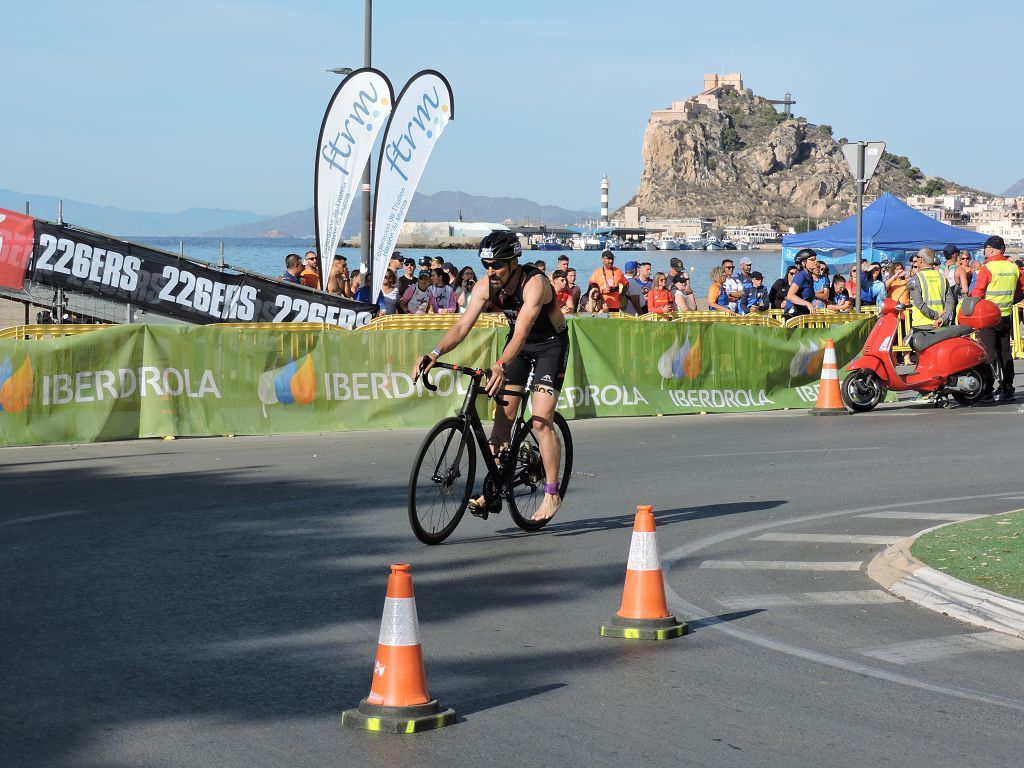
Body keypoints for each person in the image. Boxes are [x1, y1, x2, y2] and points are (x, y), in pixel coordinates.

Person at [415, 230, 569, 522]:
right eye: (486, 264)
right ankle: (496, 488)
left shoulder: (534, 284)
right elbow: (462, 327)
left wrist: (499, 364)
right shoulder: (486, 285)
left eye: (497, 264)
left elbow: (523, 331)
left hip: (550, 346)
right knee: (501, 422)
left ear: (513, 262)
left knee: (540, 420)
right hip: (518, 348)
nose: (490, 270)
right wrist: (434, 354)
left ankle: (551, 493)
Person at [969, 235, 1024, 401]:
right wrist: (1010, 301)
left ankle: (987, 389)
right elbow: (1021, 289)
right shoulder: (1013, 267)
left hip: (988, 317)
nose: (984, 251)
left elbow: (977, 294)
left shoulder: (988, 268)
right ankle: (1007, 387)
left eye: (985, 248)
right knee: (1005, 353)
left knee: (988, 353)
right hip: (1005, 315)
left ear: (991, 249)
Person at [907, 248, 952, 334]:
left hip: (922, 325)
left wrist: (935, 315)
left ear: (921, 260)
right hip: (940, 325)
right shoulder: (942, 277)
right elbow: (950, 301)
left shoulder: (916, 279)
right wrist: (942, 318)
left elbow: (919, 303)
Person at [785, 249, 818, 317]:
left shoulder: (809, 277)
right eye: (812, 259)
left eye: (816, 259)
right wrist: (807, 304)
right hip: (793, 313)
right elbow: (790, 296)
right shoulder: (801, 276)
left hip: (803, 312)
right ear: (803, 263)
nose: (816, 261)